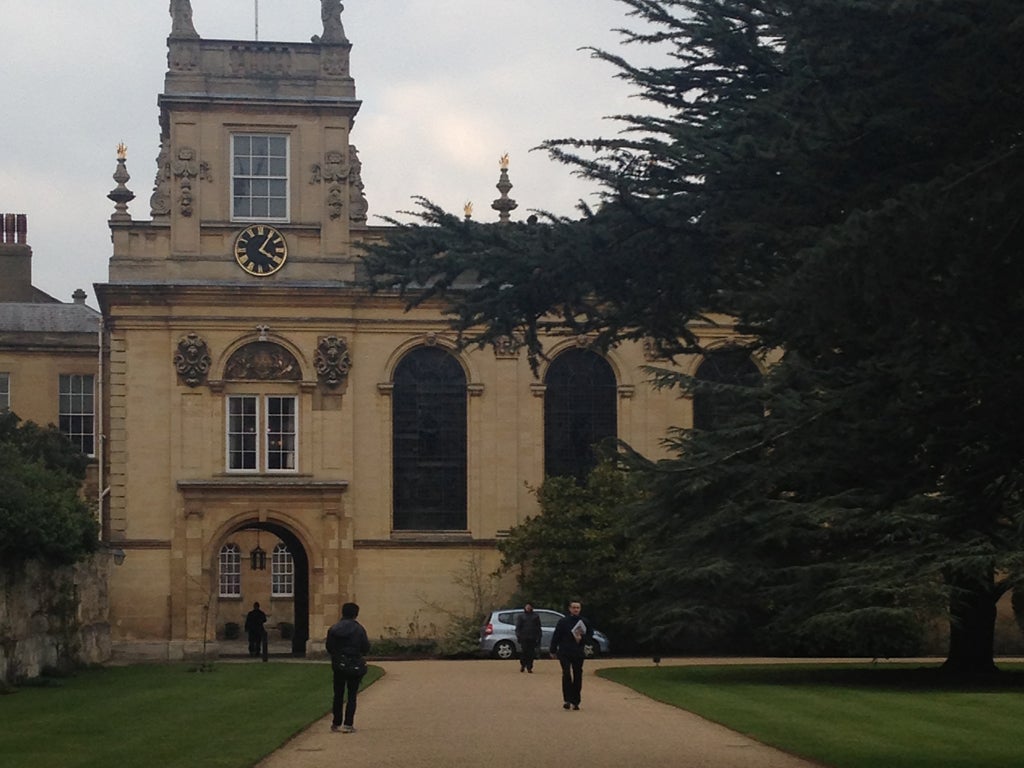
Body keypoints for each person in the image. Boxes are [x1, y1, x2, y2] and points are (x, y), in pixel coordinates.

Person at [325, 602, 370, 733]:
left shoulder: (334, 628)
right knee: (351, 695)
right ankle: (348, 724)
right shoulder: (359, 629)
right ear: (356, 614)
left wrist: (338, 656)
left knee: (338, 694)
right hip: (354, 663)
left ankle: (336, 723)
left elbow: (329, 647)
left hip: (339, 664)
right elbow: (365, 647)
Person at [549, 600, 593, 710]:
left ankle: (576, 700)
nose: (576, 609)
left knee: (578, 675)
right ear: (569, 609)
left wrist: (581, 639)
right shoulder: (563, 622)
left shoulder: (585, 622)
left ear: (580, 609)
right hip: (565, 651)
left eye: (578, 607)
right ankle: (567, 699)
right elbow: (556, 636)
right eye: (574, 607)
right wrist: (553, 650)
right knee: (567, 673)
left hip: (578, 652)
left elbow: (590, 637)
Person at [515, 602, 542, 673]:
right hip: (524, 637)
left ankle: (529, 667)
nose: (528, 608)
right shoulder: (521, 616)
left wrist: (538, 637)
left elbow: (538, 627)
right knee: (524, 652)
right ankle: (523, 665)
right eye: (527, 606)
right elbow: (518, 627)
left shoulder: (535, 616)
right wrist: (518, 636)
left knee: (531, 653)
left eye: (529, 606)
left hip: (532, 637)